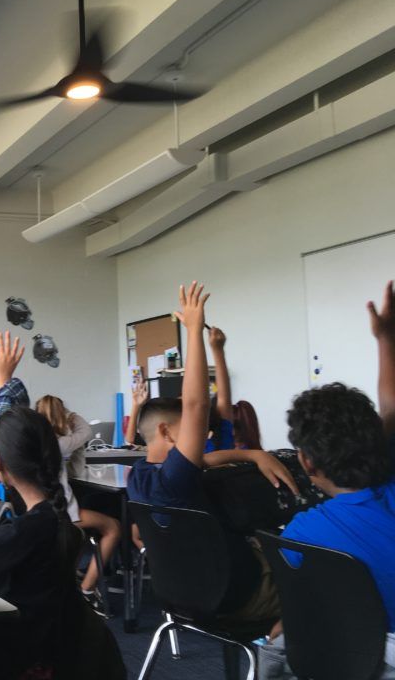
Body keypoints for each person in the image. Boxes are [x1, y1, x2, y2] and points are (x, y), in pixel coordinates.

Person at [0, 333, 125, 679]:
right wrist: (4, 380)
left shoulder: (18, 537)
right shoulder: (54, 522)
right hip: (66, 653)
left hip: (26, 660)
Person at [128, 283, 298, 623]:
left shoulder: (139, 476)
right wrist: (193, 330)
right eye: (189, 427)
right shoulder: (174, 481)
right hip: (235, 597)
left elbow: (206, 458)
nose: (200, 430)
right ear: (166, 432)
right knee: (322, 577)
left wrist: (252, 455)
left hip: (181, 595)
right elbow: (197, 405)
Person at [259, 281, 395, 679]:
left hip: (348, 657)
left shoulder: (299, 534)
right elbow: (391, 410)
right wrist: (385, 340)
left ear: (306, 462)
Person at [36, 394, 121, 614]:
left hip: (41, 511)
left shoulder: (37, 444)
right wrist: (71, 416)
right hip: (62, 512)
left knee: (82, 531)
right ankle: (88, 589)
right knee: (113, 527)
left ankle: (75, 578)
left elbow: (73, 471)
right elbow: (87, 432)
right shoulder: (61, 442)